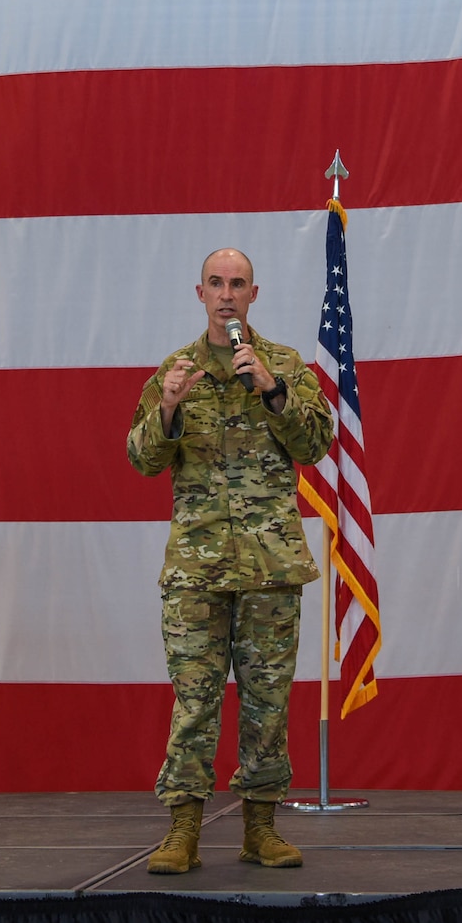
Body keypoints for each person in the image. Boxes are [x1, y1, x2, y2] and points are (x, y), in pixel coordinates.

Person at [125, 248, 336, 874]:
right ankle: (183, 828)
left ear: (254, 294)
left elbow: (318, 444)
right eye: (215, 284)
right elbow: (141, 459)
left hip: (270, 565)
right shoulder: (175, 369)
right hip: (198, 567)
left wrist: (270, 390)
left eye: (236, 284)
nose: (226, 294)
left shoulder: (285, 366)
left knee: (267, 698)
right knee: (195, 701)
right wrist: (165, 409)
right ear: (199, 293)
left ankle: (261, 827)